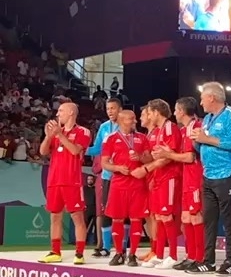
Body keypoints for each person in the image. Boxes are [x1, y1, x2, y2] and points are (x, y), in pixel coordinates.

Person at [187, 82, 231, 276]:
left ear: (212, 98)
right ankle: (208, 260)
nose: (201, 103)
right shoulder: (208, 118)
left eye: (203, 98)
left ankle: (230, 261)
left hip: (227, 172)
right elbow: (202, 146)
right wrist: (195, 141)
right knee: (209, 220)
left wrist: (205, 139)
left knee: (229, 219)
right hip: (208, 173)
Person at [153, 97, 205, 271]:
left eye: (176, 109)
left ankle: (200, 257)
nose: (174, 113)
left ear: (182, 111)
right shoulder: (183, 130)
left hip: (196, 178)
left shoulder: (196, 127)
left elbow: (190, 157)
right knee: (185, 218)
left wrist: (168, 155)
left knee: (195, 217)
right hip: (186, 179)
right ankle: (191, 256)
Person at [131, 99, 182, 270]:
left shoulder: (170, 128)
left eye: (150, 112)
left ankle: (173, 256)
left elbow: (169, 156)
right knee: (159, 217)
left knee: (166, 216)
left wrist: (146, 169)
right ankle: (159, 255)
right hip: (159, 177)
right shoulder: (160, 130)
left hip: (169, 177)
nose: (148, 115)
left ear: (156, 112)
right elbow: (157, 155)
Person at [38, 102, 91, 264]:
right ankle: (55, 251)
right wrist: (48, 136)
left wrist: (60, 135)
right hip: (54, 181)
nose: (57, 114)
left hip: (72, 181)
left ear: (71, 113)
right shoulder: (55, 133)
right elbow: (43, 152)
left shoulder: (83, 131)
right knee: (55, 217)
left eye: (61, 111)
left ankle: (80, 253)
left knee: (77, 217)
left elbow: (75, 151)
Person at [101, 110, 150, 267]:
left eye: (135, 119)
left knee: (136, 219)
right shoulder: (111, 139)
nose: (134, 121)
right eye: (131, 119)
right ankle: (118, 253)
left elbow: (149, 158)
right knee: (117, 219)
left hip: (137, 184)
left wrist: (141, 157)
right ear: (121, 121)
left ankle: (133, 254)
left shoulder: (142, 138)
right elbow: (104, 163)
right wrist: (117, 168)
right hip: (119, 184)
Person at [86, 97, 121, 257]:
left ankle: (123, 248)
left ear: (119, 109)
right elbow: (97, 149)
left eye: (113, 108)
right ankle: (106, 247)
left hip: (123, 175)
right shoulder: (104, 127)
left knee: (123, 212)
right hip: (107, 176)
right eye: (108, 109)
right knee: (106, 211)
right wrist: (82, 149)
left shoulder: (126, 125)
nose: (110, 111)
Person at [138, 105, 157, 263]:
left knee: (155, 216)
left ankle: (157, 250)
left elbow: (155, 158)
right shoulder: (147, 135)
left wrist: (141, 157)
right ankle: (153, 249)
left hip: (155, 177)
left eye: (143, 115)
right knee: (148, 216)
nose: (140, 118)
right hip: (146, 178)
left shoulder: (156, 134)